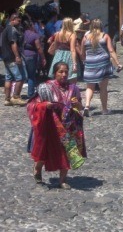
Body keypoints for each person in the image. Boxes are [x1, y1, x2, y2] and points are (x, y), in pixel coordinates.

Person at [26, 61, 86, 189]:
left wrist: (76, 105)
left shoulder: (73, 89)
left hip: (68, 125)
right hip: (50, 125)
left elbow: (80, 106)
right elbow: (32, 105)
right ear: (54, 73)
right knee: (44, 151)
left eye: (66, 71)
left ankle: (62, 180)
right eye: (60, 72)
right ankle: (37, 169)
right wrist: (44, 106)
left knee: (67, 150)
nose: (64, 74)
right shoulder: (45, 88)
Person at [80, 19, 122, 116]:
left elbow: (82, 53)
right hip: (103, 63)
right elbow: (111, 51)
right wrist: (118, 63)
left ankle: (87, 105)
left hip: (90, 63)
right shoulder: (105, 36)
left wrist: (84, 61)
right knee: (103, 88)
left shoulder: (85, 37)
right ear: (101, 26)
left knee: (89, 87)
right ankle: (104, 109)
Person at [2, 13, 28, 106]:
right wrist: (17, 56)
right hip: (12, 57)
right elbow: (13, 43)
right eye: (18, 21)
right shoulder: (12, 30)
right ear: (12, 20)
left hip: (6, 57)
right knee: (21, 77)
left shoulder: (6, 29)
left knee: (8, 78)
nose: (20, 22)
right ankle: (16, 97)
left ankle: (7, 99)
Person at [48, 18, 79, 83]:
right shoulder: (72, 35)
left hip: (58, 54)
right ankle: (71, 91)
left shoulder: (57, 34)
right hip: (68, 55)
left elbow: (55, 46)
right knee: (71, 77)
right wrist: (74, 64)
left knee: (58, 74)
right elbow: (72, 49)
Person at [22, 16, 46, 99]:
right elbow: (39, 48)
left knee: (26, 75)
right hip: (32, 56)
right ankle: (30, 93)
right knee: (31, 75)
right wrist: (43, 58)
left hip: (23, 55)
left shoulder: (23, 33)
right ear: (32, 26)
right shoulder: (35, 35)